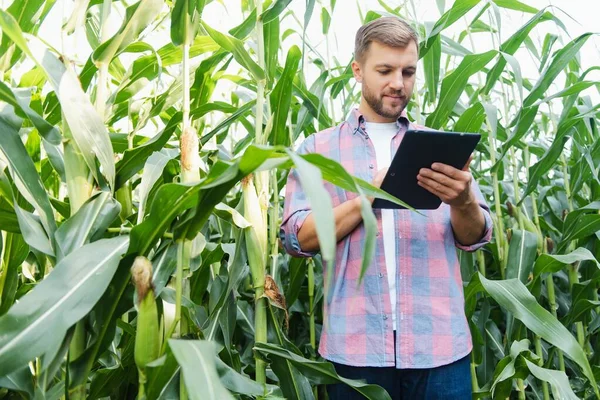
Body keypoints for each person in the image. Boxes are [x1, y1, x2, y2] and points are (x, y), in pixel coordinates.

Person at [279, 16, 493, 400]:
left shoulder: (437, 146)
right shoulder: (316, 150)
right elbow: (297, 239)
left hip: (439, 349)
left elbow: (474, 236)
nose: (399, 82)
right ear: (357, 71)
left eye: (408, 71)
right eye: (385, 70)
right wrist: (368, 196)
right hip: (356, 351)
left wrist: (463, 202)